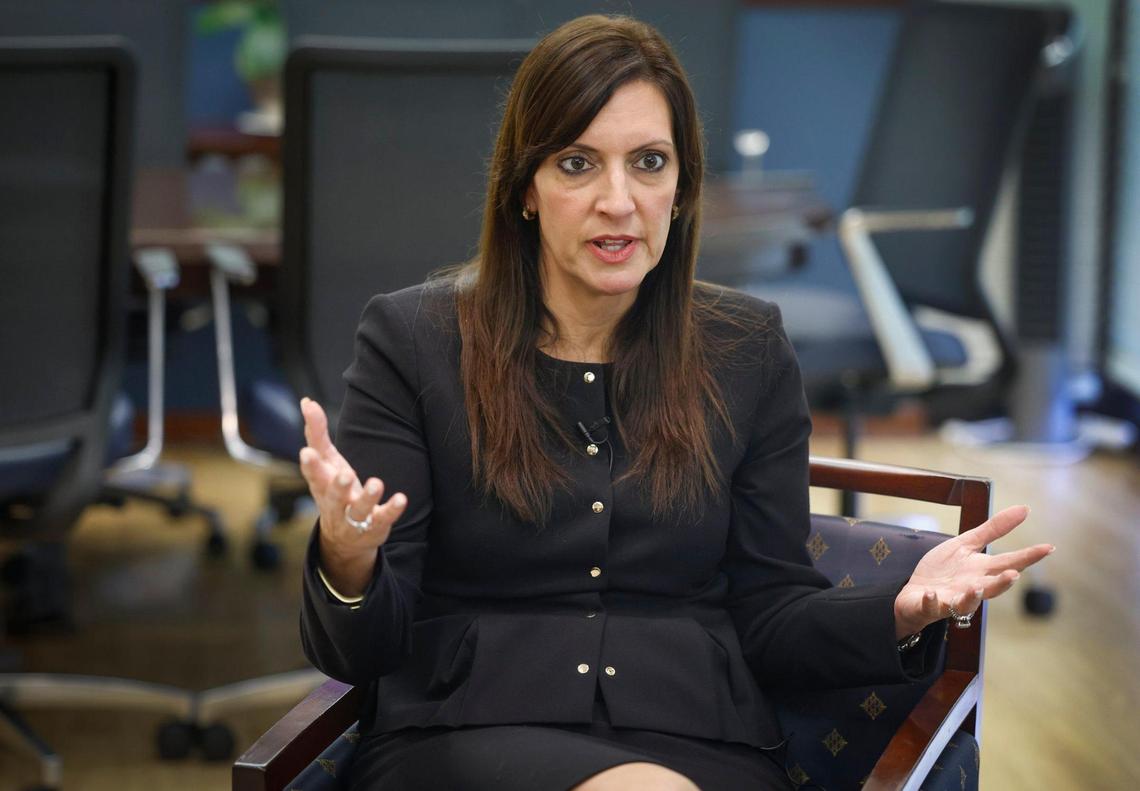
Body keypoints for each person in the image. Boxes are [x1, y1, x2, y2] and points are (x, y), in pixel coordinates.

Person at [297, 14, 1052, 791]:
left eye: (648, 162)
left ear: (683, 185)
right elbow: (362, 651)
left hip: (699, 738)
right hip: (467, 735)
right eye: (578, 163)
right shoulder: (412, 339)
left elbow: (772, 615)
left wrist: (900, 607)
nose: (617, 200)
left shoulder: (747, 348)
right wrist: (348, 562)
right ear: (526, 187)